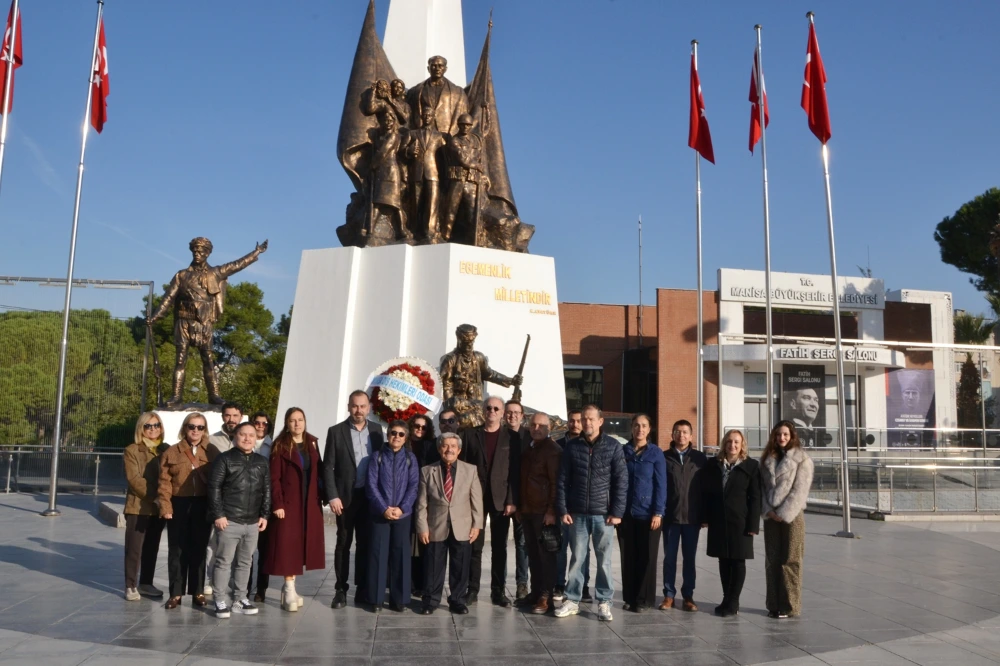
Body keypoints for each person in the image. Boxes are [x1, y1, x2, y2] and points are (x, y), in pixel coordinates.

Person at [146, 236, 266, 406]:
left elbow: (237, 265)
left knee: (208, 360)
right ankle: (176, 396)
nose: (197, 253)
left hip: (205, 322)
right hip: (184, 322)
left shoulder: (215, 273)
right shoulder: (182, 275)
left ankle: (214, 396)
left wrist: (256, 253)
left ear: (207, 253)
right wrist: (156, 316)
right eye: (195, 251)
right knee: (180, 360)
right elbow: (168, 298)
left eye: (201, 251)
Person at [554, 405, 627, 622]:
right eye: (584, 419)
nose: (587, 423)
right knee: (577, 558)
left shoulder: (613, 446)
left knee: (604, 560)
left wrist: (617, 511)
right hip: (576, 513)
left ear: (600, 421)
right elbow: (562, 480)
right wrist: (562, 509)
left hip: (603, 515)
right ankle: (573, 599)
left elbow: (621, 481)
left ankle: (604, 601)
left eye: (591, 419)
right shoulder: (572, 447)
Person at [322, 390, 385, 610]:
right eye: (355, 406)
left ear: (369, 408)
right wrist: (332, 495)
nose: (359, 410)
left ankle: (362, 588)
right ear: (349, 407)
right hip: (345, 498)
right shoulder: (336, 431)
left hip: (370, 497)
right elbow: (327, 466)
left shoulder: (377, 432)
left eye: (363, 406)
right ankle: (340, 589)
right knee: (343, 543)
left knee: (366, 544)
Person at [264, 407, 325, 612]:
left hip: (309, 503)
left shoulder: (312, 443)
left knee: (300, 545)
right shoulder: (280, 446)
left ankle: (292, 587)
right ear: (286, 423)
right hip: (289, 504)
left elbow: (319, 472)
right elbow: (274, 479)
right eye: (292, 420)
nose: (297, 424)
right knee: (287, 546)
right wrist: (278, 504)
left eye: (300, 420)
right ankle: (288, 587)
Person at [208, 422, 271, 618]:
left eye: (251, 435)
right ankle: (219, 599)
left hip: (252, 522)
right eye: (243, 434)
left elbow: (267, 490)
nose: (247, 438)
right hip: (229, 520)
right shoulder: (224, 459)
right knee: (224, 561)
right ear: (235, 436)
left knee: (245, 562)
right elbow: (214, 488)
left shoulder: (262, 461)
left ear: (256, 438)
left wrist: (265, 515)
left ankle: (239, 598)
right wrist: (218, 514)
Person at [460, 396, 518, 607]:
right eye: (489, 408)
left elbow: (514, 472)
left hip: (501, 500)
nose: (492, 411)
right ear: (483, 411)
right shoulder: (470, 435)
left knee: (499, 547)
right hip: (474, 499)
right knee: (474, 546)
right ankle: (472, 589)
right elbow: (464, 467)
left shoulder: (511, 438)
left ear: (502, 413)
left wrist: (512, 499)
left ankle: (498, 591)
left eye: (496, 408)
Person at [416, 432, 483, 614]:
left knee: (460, 567)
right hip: (435, 526)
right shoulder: (427, 471)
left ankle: (457, 600)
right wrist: (422, 527)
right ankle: (430, 601)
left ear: (459, 450)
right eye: (445, 446)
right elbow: (422, 503)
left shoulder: (470, 470)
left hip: (462, 526)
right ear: (439, 449)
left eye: (453, 446)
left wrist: (477, 525)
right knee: (433, 567)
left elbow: (477, 500)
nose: (449, 449)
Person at [702, 429, 760, 617]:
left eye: (736, 442)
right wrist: (706, 517)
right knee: (723, 560)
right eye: (729, 441)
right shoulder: (714, 464)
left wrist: (753, 525)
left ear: (742, 445)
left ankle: (733, 602)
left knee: (737, 561)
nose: (732, 445)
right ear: (724, 444)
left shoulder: (751, 466)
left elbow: (755, 498)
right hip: (719, 520)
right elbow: (708, 493)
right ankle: (726, 599)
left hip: (740, 522)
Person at [158, 412, 213, 609]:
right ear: (185, 428)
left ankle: (198, 590)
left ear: (204, 430)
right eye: (192, 426)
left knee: (199, 549)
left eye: (200, 427)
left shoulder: (212, 452)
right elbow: (164, 482)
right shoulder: (172, 452)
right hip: (178, 503)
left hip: (202, 503)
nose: (195, 431)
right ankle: (175, 593)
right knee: (177, 550)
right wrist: (166, 506)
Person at [761, 420, 814, 619]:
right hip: (771, 517)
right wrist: (768, 511)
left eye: (785, 434)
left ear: (792, 436)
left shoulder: (802, 459)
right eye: (778, 434)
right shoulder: (767, 459)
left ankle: (790, 605)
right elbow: (762, 489)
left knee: (791, 560)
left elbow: (800, 490)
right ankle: (773, 604)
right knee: (772, 560)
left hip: (792, 517)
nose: (781, 438)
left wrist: (782, 513)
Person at [366, 420, 420, 612]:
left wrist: (402, 508)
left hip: (402, 515)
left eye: (401, 434)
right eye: (393, 433)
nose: (396, 437)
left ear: (406, 438)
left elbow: (414, 486)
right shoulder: (377, 457)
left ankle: (400, 599)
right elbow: (371, 485)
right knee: (378, 555)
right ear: (388, 435)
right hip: (381, 514)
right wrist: (384, 508)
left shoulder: (411, 459)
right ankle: (376, 599)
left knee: (401, 555)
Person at [618, 414, 666, 612]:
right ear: (631, 428)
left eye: (644, 426)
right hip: (627, 513)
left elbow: (661, 485)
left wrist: (658, 512)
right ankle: (629, 597)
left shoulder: (656, 453)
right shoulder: (623, 451)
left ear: (649, 429)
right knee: (628, 557)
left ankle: (643, 599)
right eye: (637, 425)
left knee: (646, 558)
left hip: (649, 515)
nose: (640, 429)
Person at [660, 419, 707, 612]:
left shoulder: (699, 459)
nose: (681, 435)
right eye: (677, 431)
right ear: (672, 434)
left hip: (691, 518)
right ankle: (668, 595)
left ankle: (688, 595)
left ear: (691, 435)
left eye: (685, 432)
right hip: (670, 517)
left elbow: (704, 490)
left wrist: (705, 516)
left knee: (689, 558)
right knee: (669, 558)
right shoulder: (663, 457)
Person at [517, 412, 561, 614]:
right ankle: (535, 592)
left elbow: (555, 483)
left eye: (541, 425)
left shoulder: (552, 451)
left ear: (549, 428)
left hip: (544, 512)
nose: (536, 429)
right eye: (533, 425)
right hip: (528, 510)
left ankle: (546, 596)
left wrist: (551, 510)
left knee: (546, 556)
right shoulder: (530, 449)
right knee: (533, 554)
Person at [123, 412, 168, 601]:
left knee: (152, 547)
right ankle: (130, 585)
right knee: (135, 548)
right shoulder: (132, 450)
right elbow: (134, 479)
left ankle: (146, 583)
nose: (153, 429)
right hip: (138, 507)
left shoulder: (165, 449)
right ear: (141, 428)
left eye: (156, 425)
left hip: (158, 508)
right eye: (148, 426)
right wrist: (155, 496)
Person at [206, 402, 243, 596]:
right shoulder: (211, 441)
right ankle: (211, 579)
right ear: (223, 417)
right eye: (228, 415)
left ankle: (232, 583)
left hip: (239, 502)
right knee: (214, 543)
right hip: (218, 500)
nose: (231, 419)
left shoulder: (245, 439)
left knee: (237, 546)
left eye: (235, 415)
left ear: (241, 417)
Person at [553, 409, 590, 603]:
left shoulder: (588, 445)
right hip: (563, 505)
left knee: (583, 549)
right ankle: (559, 584)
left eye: (578, 421)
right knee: (561, 547)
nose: (575, 424)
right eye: (572, 421)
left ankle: (583, 586)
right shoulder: (558, 446)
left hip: (582, 506)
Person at [407, 414, 437, 598]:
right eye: (416, 426)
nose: (419, 430)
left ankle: (422, 583)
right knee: (408, 543)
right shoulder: (404, 443)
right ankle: (409, 582)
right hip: (406, 499)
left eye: (423, 427)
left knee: (424, 543)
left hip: (425, 498)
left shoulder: (432, 446)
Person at [504, 399, 530, 604]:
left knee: (522, 544)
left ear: (522, 415)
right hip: (500, 498)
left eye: (516, 412)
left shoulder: (530, 437)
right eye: (509, 412)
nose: (512, 415)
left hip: (522, 500)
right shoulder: (499, 434)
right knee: (500, 544)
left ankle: (522, 583)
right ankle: (499, 585)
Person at [408, 105, 447, 240]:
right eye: (424, 115)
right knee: (416, 203)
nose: (426, 118)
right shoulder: (413, 133)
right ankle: (414, 230)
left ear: (433, 117)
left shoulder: (440, 136)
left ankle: (429, 232)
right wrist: (409, 151)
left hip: (433, 172)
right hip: (417, 172)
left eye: (429, 115)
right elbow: (403, 151)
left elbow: (445, 157)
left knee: (432, 203)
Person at [406, 55, 470, 135]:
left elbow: (463, 116)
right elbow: (408, 116)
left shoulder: (458, 92)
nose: (437, 69)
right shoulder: (415, 91)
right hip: (422, 137)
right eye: (434, 66)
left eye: (440, 66)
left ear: (445, 69)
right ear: (428, 68)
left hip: (448, 137)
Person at [248, 411, 273, 603]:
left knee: (263, 550)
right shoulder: (243, 441)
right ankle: (244, 587)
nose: (260, 426)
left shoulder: (273, 446)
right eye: (257, 422)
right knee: (245, 550)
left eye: (264, 423)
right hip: (245, 502)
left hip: (265, 501)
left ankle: (261, 589)